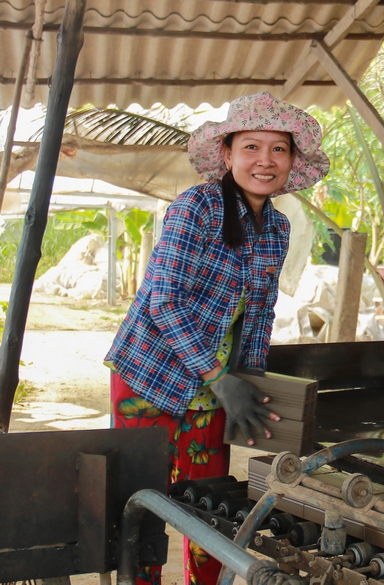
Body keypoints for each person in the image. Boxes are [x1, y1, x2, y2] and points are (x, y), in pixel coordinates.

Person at [105, 91, 329, 585]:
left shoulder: (276, 228)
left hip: (216, 392)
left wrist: (247, 380)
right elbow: (164, 300)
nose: (264, 161)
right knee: (141, 510)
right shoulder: (195, 208)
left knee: (212, 512)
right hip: (152, 380)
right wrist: (220, 376)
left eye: (278, 149)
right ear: (227, 155)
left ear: (292, 160)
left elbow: (261, 313)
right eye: (251, 147)